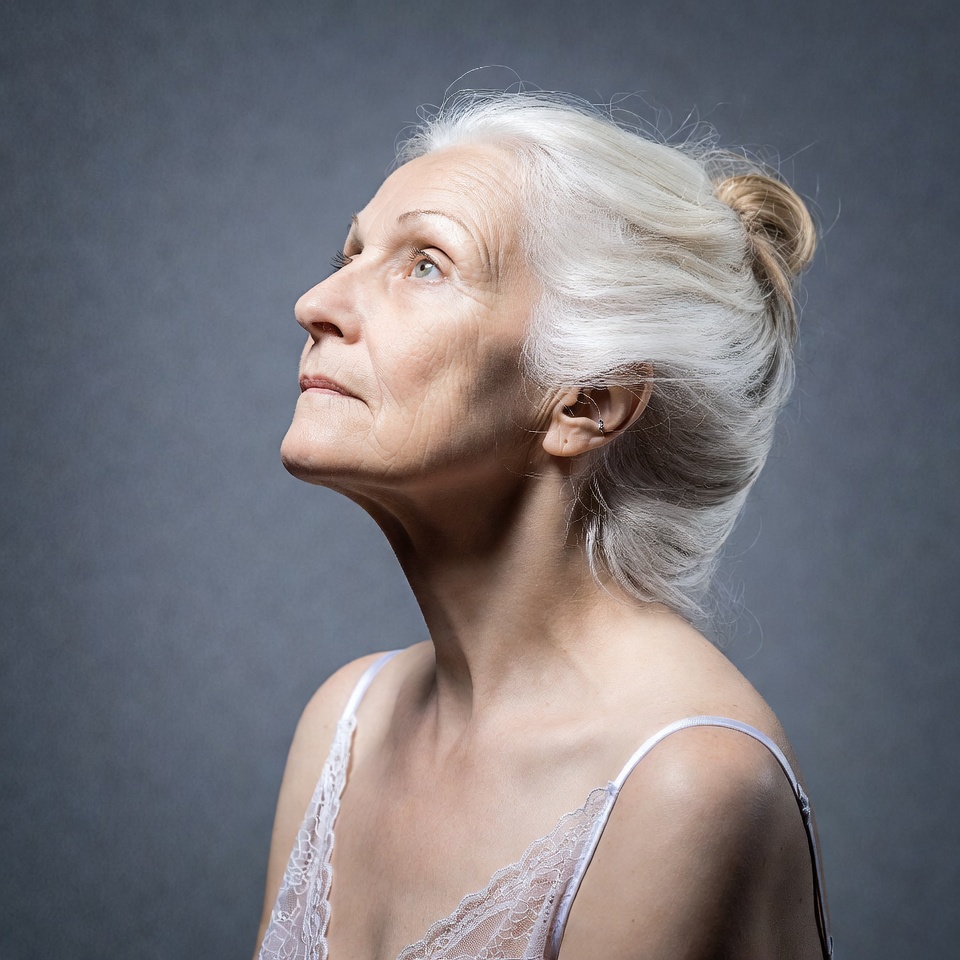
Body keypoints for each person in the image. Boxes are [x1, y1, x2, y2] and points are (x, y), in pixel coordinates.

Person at [253, 89, 832, 960]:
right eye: (353, 251)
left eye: (425, 264)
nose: (316, 302)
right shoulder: (347, 722)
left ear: (586, 402)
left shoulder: (685, 784)